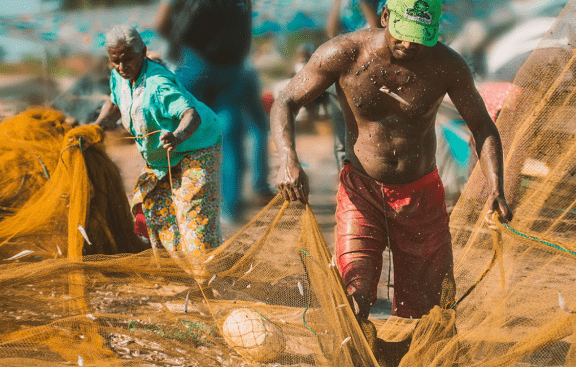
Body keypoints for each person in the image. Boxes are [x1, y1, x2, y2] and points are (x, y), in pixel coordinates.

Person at [271, 0, 513, 360]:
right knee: (353, 292)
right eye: (403, 35)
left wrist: (497, 187)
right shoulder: (344, 53)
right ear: (385, 17)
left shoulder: (446, 65)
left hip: (422, 195)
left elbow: (482, 126)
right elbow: (286, 100)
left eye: (421, 38)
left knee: (432, 306)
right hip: (360, 191)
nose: (410, 46)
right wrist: (288, 159)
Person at [94, 26, 223, 256]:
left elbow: (190, 115)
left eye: (128, 60)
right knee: (156, 214)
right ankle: (180, 271)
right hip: (163, 158)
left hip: (196, 148)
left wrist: (178, 136)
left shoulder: (158, 85)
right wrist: (97, 126)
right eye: (115, 61)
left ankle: (208, 281)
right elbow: (115, 102)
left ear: (143, 52)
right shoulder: (118, 76)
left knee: (194, 218)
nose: (122, 67)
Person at [155, 0, 275, 224]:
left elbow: (161, 22)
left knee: (181, 133)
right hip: (231, 65)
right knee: (230, 133)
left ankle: (179, 207)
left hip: (195, 61)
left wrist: (179, 44)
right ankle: (230, 208)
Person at [326, 0, 383, 170]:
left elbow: (375, 29)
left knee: (368, 134)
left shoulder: (378, 4)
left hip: (368, 77)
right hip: (342, 75)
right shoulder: (343, 4)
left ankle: (366, 180)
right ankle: (343, 181)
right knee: (341, 140)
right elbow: (331, 32)